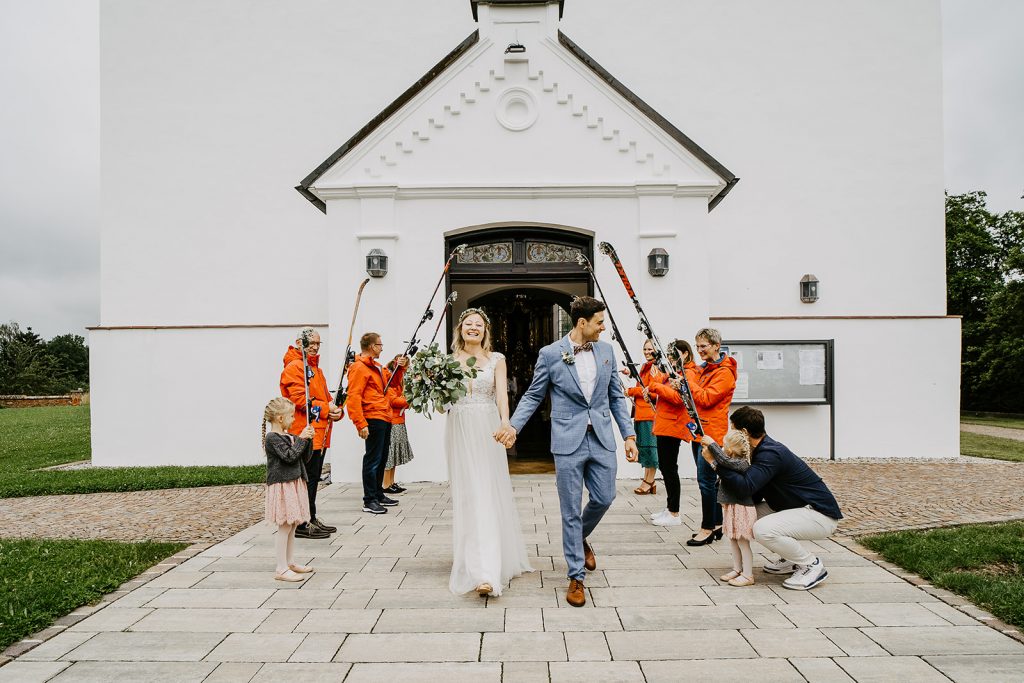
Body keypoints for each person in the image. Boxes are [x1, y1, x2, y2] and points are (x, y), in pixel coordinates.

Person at [497, 296, 638, 607]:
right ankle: (576, 576)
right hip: (567, 441)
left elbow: (615, 396)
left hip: (601, 438)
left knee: (605, 497)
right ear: (582, 323)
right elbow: (534, 396)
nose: (604, 328)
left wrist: (629, 434)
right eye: (600, 322)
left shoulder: (606, 351)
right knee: (570, 510)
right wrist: (514, 427)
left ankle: (579, 537)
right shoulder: (550, 354)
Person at [707, 406, 843, 591]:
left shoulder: (770, 453)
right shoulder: (758, 451)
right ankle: (790, 559)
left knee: (762, 529)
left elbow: (746, 486)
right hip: (795, 508)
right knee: (746, 517)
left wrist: (714, 463)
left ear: (744, 432)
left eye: (733, 429)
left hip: (819, 514)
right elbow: (750, 493)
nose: (730, 433)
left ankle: (811, 565)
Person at [446, 308, 533, 597]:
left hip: (486, 427)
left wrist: (505, 421)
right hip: (459, 427)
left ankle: (487, 572)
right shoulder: (448, 362)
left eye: (479, 325)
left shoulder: (497, 360)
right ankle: (473, 563)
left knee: (486, 491)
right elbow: (440, 404)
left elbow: (501, 395)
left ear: (486, 331)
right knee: (468, 494)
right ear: (460, 330)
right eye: (468, 324)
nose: (473, 328)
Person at [280, 328, 344, 539]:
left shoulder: (316, 369)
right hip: (303, 432)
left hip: (319, 432)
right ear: (300, 343)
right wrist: (328, 409)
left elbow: (326, 399)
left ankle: (311, 516)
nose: (315, 347)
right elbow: (300, 400)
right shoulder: (294, 367)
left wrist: (336, 411)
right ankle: (301, 522)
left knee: (314, 478)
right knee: (305, 479)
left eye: (318, 343)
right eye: (311, 343)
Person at [683, 327, 737, 546]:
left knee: (706, 481)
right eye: (697, 347)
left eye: (703, 346)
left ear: (716, 345)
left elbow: (706, 399)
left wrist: (689, 384)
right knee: (710, 482)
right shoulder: (706, 369)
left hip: (712, 433)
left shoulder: (724, 373)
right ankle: (716, 524)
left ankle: (706, 528)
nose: (699, 350)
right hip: (700, 431)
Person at [346, 332, 407, 515]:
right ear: (372, 346)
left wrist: (400, 368)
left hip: (384, 416)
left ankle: (379, 494)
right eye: (380, 345)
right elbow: (354, 396)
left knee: (381, 458)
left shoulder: (378, 368)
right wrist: (360, 423)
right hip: (372, 417)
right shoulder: (359, 368)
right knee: (372, 459)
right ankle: (369, 499)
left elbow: (392, 385)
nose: (382, 348)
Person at [261, 397, 317, 582]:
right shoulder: (272, 438)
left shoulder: (290, 436)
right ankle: (281, 568)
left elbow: (303, 458)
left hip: (293, 483)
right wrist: (301, 438)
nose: (294, 419)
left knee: (292, 524)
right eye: (291, 416)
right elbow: (289, 456)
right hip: (282, 486)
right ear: (279, 418)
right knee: (284, 525)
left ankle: (290, 562)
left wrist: (308, 441)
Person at [646, 339, 697, 527]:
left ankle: (674, 513)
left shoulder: (688, 373)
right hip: (666, 424)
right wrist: (660, 378)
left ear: (684, 354)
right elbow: (656, 381)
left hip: (672, 426)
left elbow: (678, 398)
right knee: (666, 468)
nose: (669, 359)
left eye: (672, 355)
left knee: (669, 468)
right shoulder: (674, 372)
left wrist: (656, 385)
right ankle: (670, 508)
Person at [702, 431, 757, 586]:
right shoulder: (731, 462)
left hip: (742, 509)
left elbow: (724, 461)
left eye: (724, 445)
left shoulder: (741, 463)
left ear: (731, 450)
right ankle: (737, 569)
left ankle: (748, 574)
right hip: (732, 507)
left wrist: (712, 445)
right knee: (733, 540)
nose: (722, 448)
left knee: (743, 542)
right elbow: (722, 463)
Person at [620, 340, 665, 495]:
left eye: (650, 349)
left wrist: (631, 391)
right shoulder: (646, 366)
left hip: (650, 415)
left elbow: (652, 392)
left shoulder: (656, 367)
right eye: (645, 349)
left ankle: (649, 481)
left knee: (651, 449)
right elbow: (643, 383)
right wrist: (630, 373)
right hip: (641, 413)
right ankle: (648, 480)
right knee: (645, 449)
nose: (647, 352)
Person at [383, 361, 413, 495]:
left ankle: (392, 482)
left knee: (394, 454)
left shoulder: (399, 384)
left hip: (399, 421)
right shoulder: (390, 383)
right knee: (390, 454)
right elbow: (393, 401)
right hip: (393, 421)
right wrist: (409, 400)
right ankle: (385, 484)